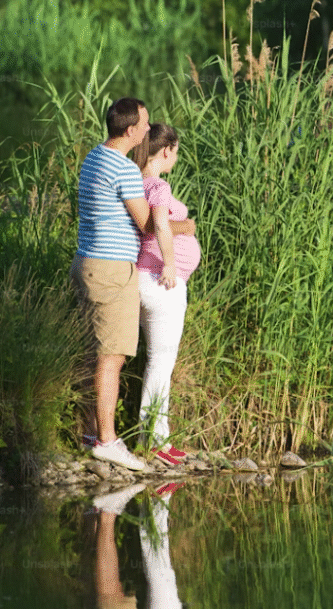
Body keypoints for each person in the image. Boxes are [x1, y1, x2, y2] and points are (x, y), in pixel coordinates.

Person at [70, 98, 194, 471]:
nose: (147, 129)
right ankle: (107, 442)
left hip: (87, 261)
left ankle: (93, 433)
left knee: (96, 353)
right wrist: (186, 227)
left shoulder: (94, 157)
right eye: (143, 123)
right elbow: (147, 225)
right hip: (109, 271)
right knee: (113, 357)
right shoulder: (123, 170)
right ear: (130, 130)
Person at [134, 124, 201, 465]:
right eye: (175, 152)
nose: (176, 158)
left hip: (143, 281)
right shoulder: (158, 184)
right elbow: (158, 226)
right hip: (162, 282)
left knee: (155, 361)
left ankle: (152, 436)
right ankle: (156, 442)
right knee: (161, 363)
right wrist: (172, 266)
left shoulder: (135, 182)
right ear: (166, 151)